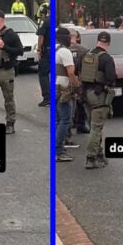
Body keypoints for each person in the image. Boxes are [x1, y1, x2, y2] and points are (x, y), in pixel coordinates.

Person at [78, 31, 116, 169]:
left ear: (97, 41)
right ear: (109, 43)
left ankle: (99, 154)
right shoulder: (107, 59)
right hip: (99, 96)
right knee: (96, 128)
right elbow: (111, 77)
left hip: (86, 95)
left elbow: (78, 73)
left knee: (94, 125)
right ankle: (91, 157)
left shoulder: (86, 55)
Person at [54, 27, 79, 162]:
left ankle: (57, 148)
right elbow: (70, 72)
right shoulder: (64, 52)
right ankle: (58, 150)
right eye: (69, 37)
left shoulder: (54, 49)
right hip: (63, 89)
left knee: (58, 120)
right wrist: (77, 86)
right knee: (65, 120)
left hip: (54, 87)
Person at [69, 29, 90, 134]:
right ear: (78, 38)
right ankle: (80, 124)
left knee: (67, 103)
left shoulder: (61, 49)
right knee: (80, 102)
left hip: (66, 80)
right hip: (79, 79)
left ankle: (69, 125)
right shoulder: (84, 50)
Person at [36, 14, 51, 107]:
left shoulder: (45, 21)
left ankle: (47, 97)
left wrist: (39, 49)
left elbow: (41, 36)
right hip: (57, 50)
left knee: (43, 74)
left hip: (47, 51)